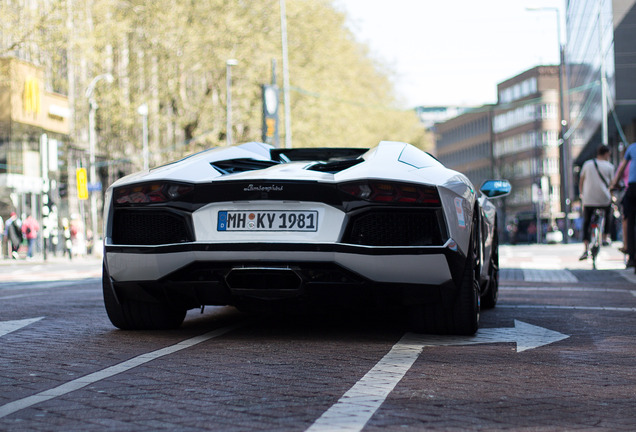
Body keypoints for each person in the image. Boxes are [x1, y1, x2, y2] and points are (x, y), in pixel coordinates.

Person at [578, 145, 614, 261]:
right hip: (603, 199)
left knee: (587, 222)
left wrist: (581, 194)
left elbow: (581, 181)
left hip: (588, 199)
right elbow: (612, 184)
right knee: (609, 212)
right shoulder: (609, 166)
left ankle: (586, 247)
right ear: (606, 154)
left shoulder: (587, 164)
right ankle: (605, 236)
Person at [611, 142, 636, 269]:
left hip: (632, 188)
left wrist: (613, 184)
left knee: (628, 219)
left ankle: (631, 256)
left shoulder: (632, 148)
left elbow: (621, 169)